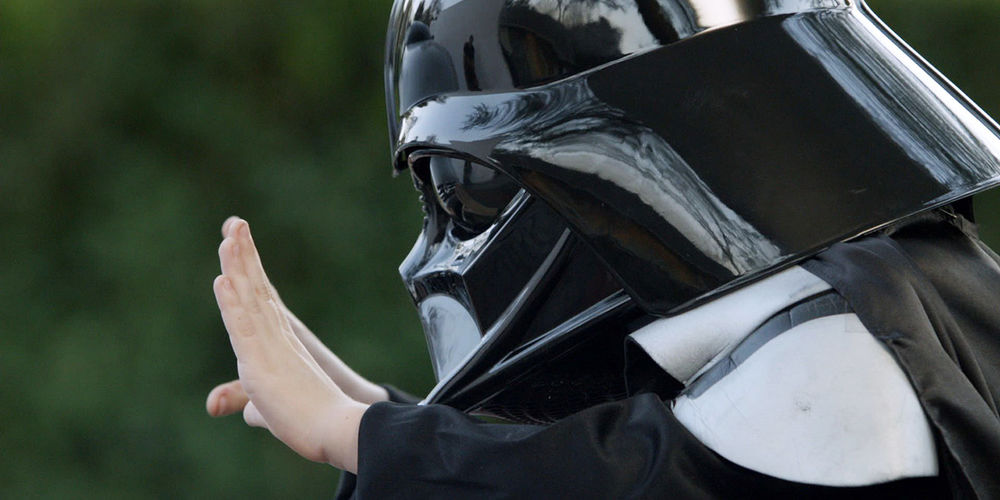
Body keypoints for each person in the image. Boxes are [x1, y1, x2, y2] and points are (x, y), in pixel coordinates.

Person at [208, 0, 1000, 497]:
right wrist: (379, 420)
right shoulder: (915, 285)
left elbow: (634, 479)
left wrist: (357, 432)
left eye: (458, 184)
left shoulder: (836, 349)